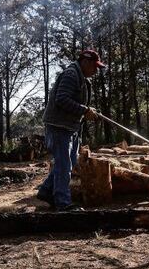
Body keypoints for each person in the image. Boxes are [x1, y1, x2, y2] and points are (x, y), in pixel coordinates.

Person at [37, 49, 105, 211]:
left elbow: (75, 101)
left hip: (70, 127)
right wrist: (84, 110)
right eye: (95, 67)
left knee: (70, 162)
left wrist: (88, 110)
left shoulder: (81, 77)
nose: (96, 71)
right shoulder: (71, 75)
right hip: (59, 127)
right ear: (86, 62)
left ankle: (46, 192)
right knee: (63, 165)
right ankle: (63, 203)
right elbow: (62, 99)